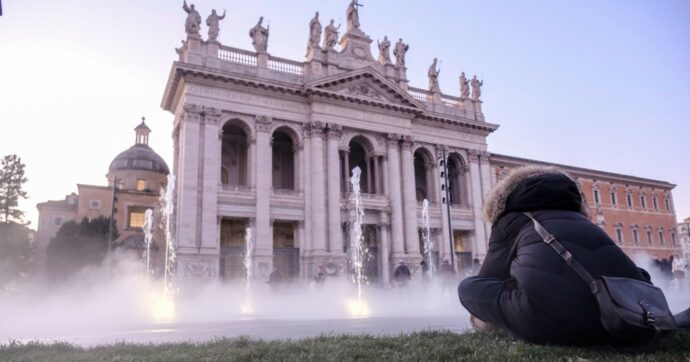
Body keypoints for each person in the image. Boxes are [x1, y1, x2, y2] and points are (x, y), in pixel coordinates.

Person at [457, 165, 667, 345]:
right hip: (623, 318)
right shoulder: (579, 217)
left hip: (552, 322)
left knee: (469, 287)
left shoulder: (508, 219)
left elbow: (488, 279)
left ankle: (494, 325)